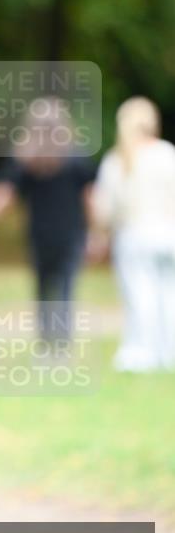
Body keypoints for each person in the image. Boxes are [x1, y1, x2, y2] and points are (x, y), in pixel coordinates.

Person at [0, 97, 96, 338]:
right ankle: (62, 341)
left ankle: (46, 339)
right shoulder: (76, 156)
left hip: (39, 234)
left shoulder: (25, 159)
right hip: (71, 235)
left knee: (42, 287)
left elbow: (3, 193)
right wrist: (96, 232)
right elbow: (90, 198)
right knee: (66, 287)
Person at [90, 97, 175, 371]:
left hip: (134, 235)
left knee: (140, 294)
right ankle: (168, 350)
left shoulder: (118, 159)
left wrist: (100, 236)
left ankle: (141, 352)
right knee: (168, 293)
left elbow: (105, 207)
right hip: (167, 233)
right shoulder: (166, 153)